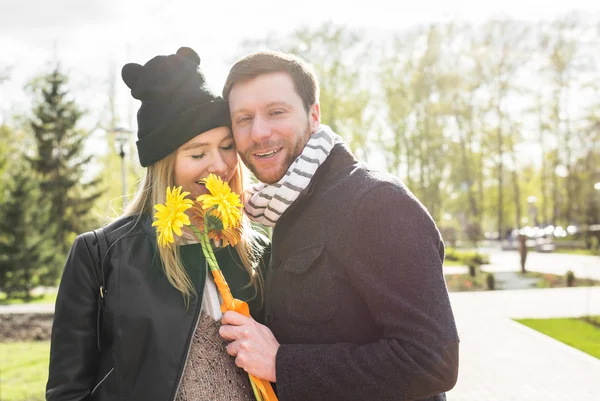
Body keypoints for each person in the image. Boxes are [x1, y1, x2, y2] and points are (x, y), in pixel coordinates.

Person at [218, 51, 460, 401]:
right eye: (243, 119)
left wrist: (281, 362)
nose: (259, 133)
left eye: (276, 112)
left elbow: (433, 361)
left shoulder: (376, 202)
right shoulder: (282, 208)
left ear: (313, 115)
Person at [46, 47, 269, 401]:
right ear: (163, 163)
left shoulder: (256, 248)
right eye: (197, 153)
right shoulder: (100, 254)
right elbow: (67, 389)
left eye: (227, 146)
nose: (219, 165)